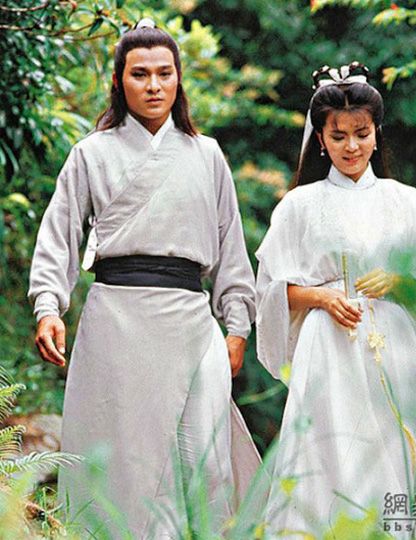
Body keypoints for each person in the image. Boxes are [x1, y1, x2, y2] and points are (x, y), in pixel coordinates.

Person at [29, 19, 260, 539]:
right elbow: (59, 234)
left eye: (164, 73)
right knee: (127, 463)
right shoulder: (91, 153)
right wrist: (48, 306)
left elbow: (230, 246)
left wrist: (237, 325)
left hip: (192, 322)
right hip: (117, 321)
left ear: (178, 79)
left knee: (207, 459)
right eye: (140, 74)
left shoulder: (208, 155)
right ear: (119, 81)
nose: (154, 85)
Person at [256, 62, 416, 537]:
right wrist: (322, 298)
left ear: (376, 134)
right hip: (328, 349)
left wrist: (398, 279)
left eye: (361, 134)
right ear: (321, 140)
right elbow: (272, 292)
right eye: (339, 136)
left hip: (394, 346)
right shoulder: (299, 205)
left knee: (396, 448)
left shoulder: (404, 200)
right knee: (333, 452)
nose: (351, 146)